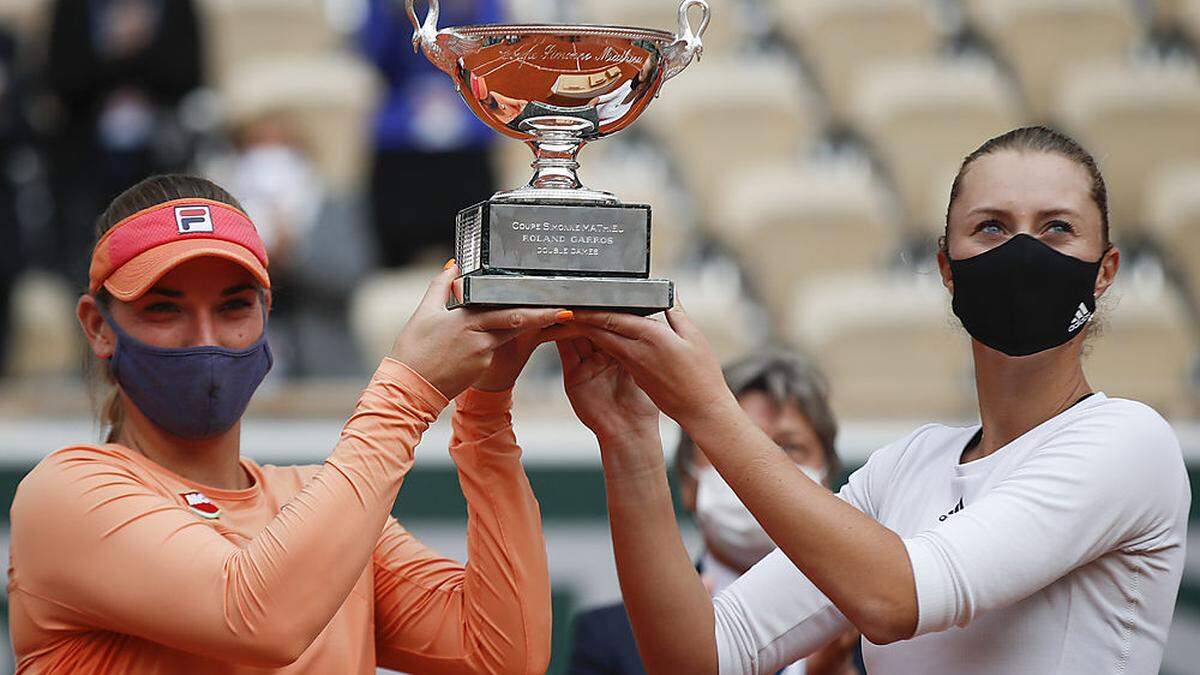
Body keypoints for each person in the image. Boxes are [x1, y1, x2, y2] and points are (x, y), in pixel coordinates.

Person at [557, 126, 1190, 673]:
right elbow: (704, 656)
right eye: (991, 227)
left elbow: (895, 600)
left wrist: (704, 407)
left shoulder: (1129, 442)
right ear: (948, 267)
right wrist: (629, 439)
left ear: (1104, 270)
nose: (1022, 252)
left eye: (1057, 228)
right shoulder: (905, 467)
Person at [7, 174, 570, 673]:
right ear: (97, 327)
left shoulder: (314, 502)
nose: (204, 338)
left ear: (267, 313)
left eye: (233, 307)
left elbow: (504, 656)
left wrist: (487, 405)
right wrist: (408, 391)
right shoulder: (65, 492)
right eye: (163, 308)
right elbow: (257, 619)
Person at [568, 350, 859, 675]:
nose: (762, 470)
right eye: (731, 444)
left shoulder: (877, 629)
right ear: (688, 482)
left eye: (788, 447)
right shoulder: (610, 638)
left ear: (828, 477)